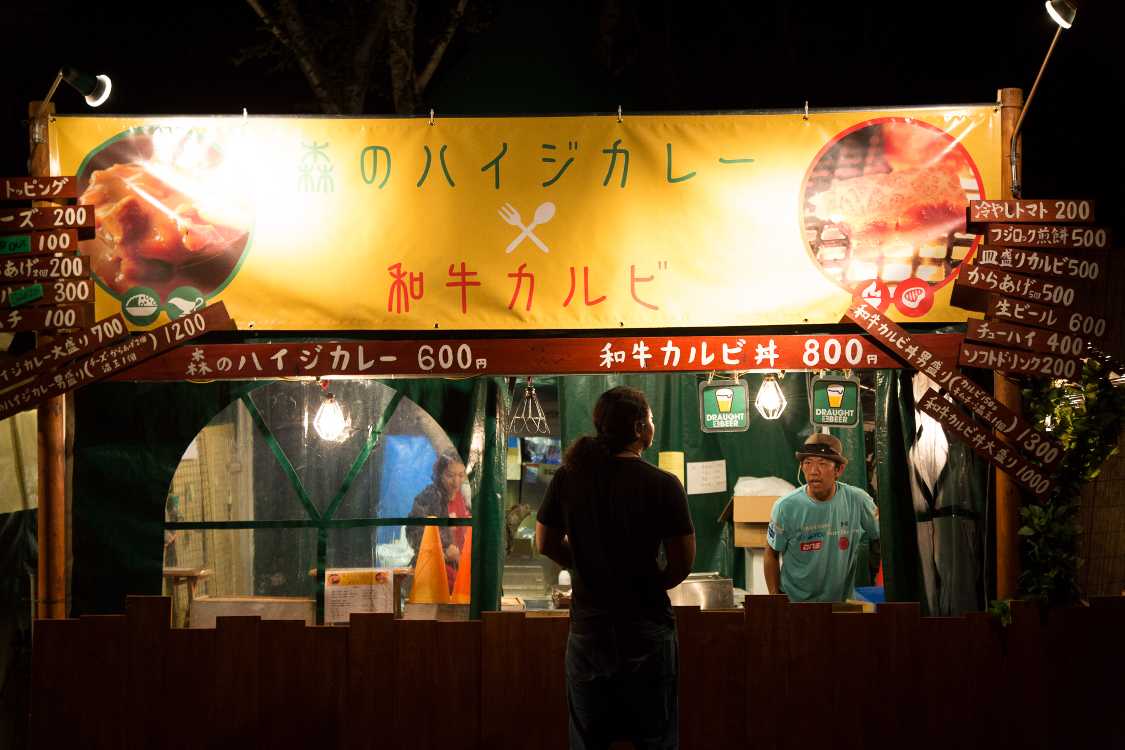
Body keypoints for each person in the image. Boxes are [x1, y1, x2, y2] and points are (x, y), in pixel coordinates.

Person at [536, 386, 696, 750]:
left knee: (589, 742)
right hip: (646, 632)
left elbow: (544, 542)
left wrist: (588, 566)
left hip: (589, 632)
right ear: (639, 428)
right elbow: (682, 562)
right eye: (650, 419)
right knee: (654, 740)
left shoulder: (568, 477)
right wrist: (647, 582)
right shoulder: (663, 484)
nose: (653, 425)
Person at [764, 433, 881, 603]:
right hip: (795, 605)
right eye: (808, 463)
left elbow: (883, 536)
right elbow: (771, 553)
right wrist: (775, 599)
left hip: (840, 605)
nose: (813, 471)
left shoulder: (858, 500)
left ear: (839, 470)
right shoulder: (785, 507)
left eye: (822, 463)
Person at [407, 451, 469, 591]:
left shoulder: (464, 498)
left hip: (461, 576)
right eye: (450, 476)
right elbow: (413, 532)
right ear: (439, 474)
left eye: (461, 475)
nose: (456, 482)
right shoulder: (429, 497)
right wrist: (444, 549)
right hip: (435, 577)